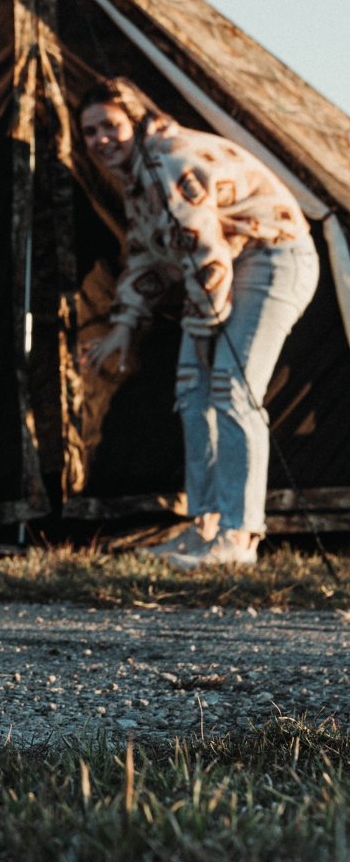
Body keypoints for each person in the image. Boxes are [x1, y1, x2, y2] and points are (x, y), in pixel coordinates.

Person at [77, 77, 318, 568]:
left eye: (109, 126)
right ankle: (204, 526)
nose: (100, 140)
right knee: (192, 391)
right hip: (218, 271)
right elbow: (146, 253)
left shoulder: (169, 162)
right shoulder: (137, 176)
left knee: (232, 388)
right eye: (89, 132)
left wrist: (208, 325)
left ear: (136, 120)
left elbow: (203, 249)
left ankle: (239, 537)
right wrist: (122, 326)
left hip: (271, 255)